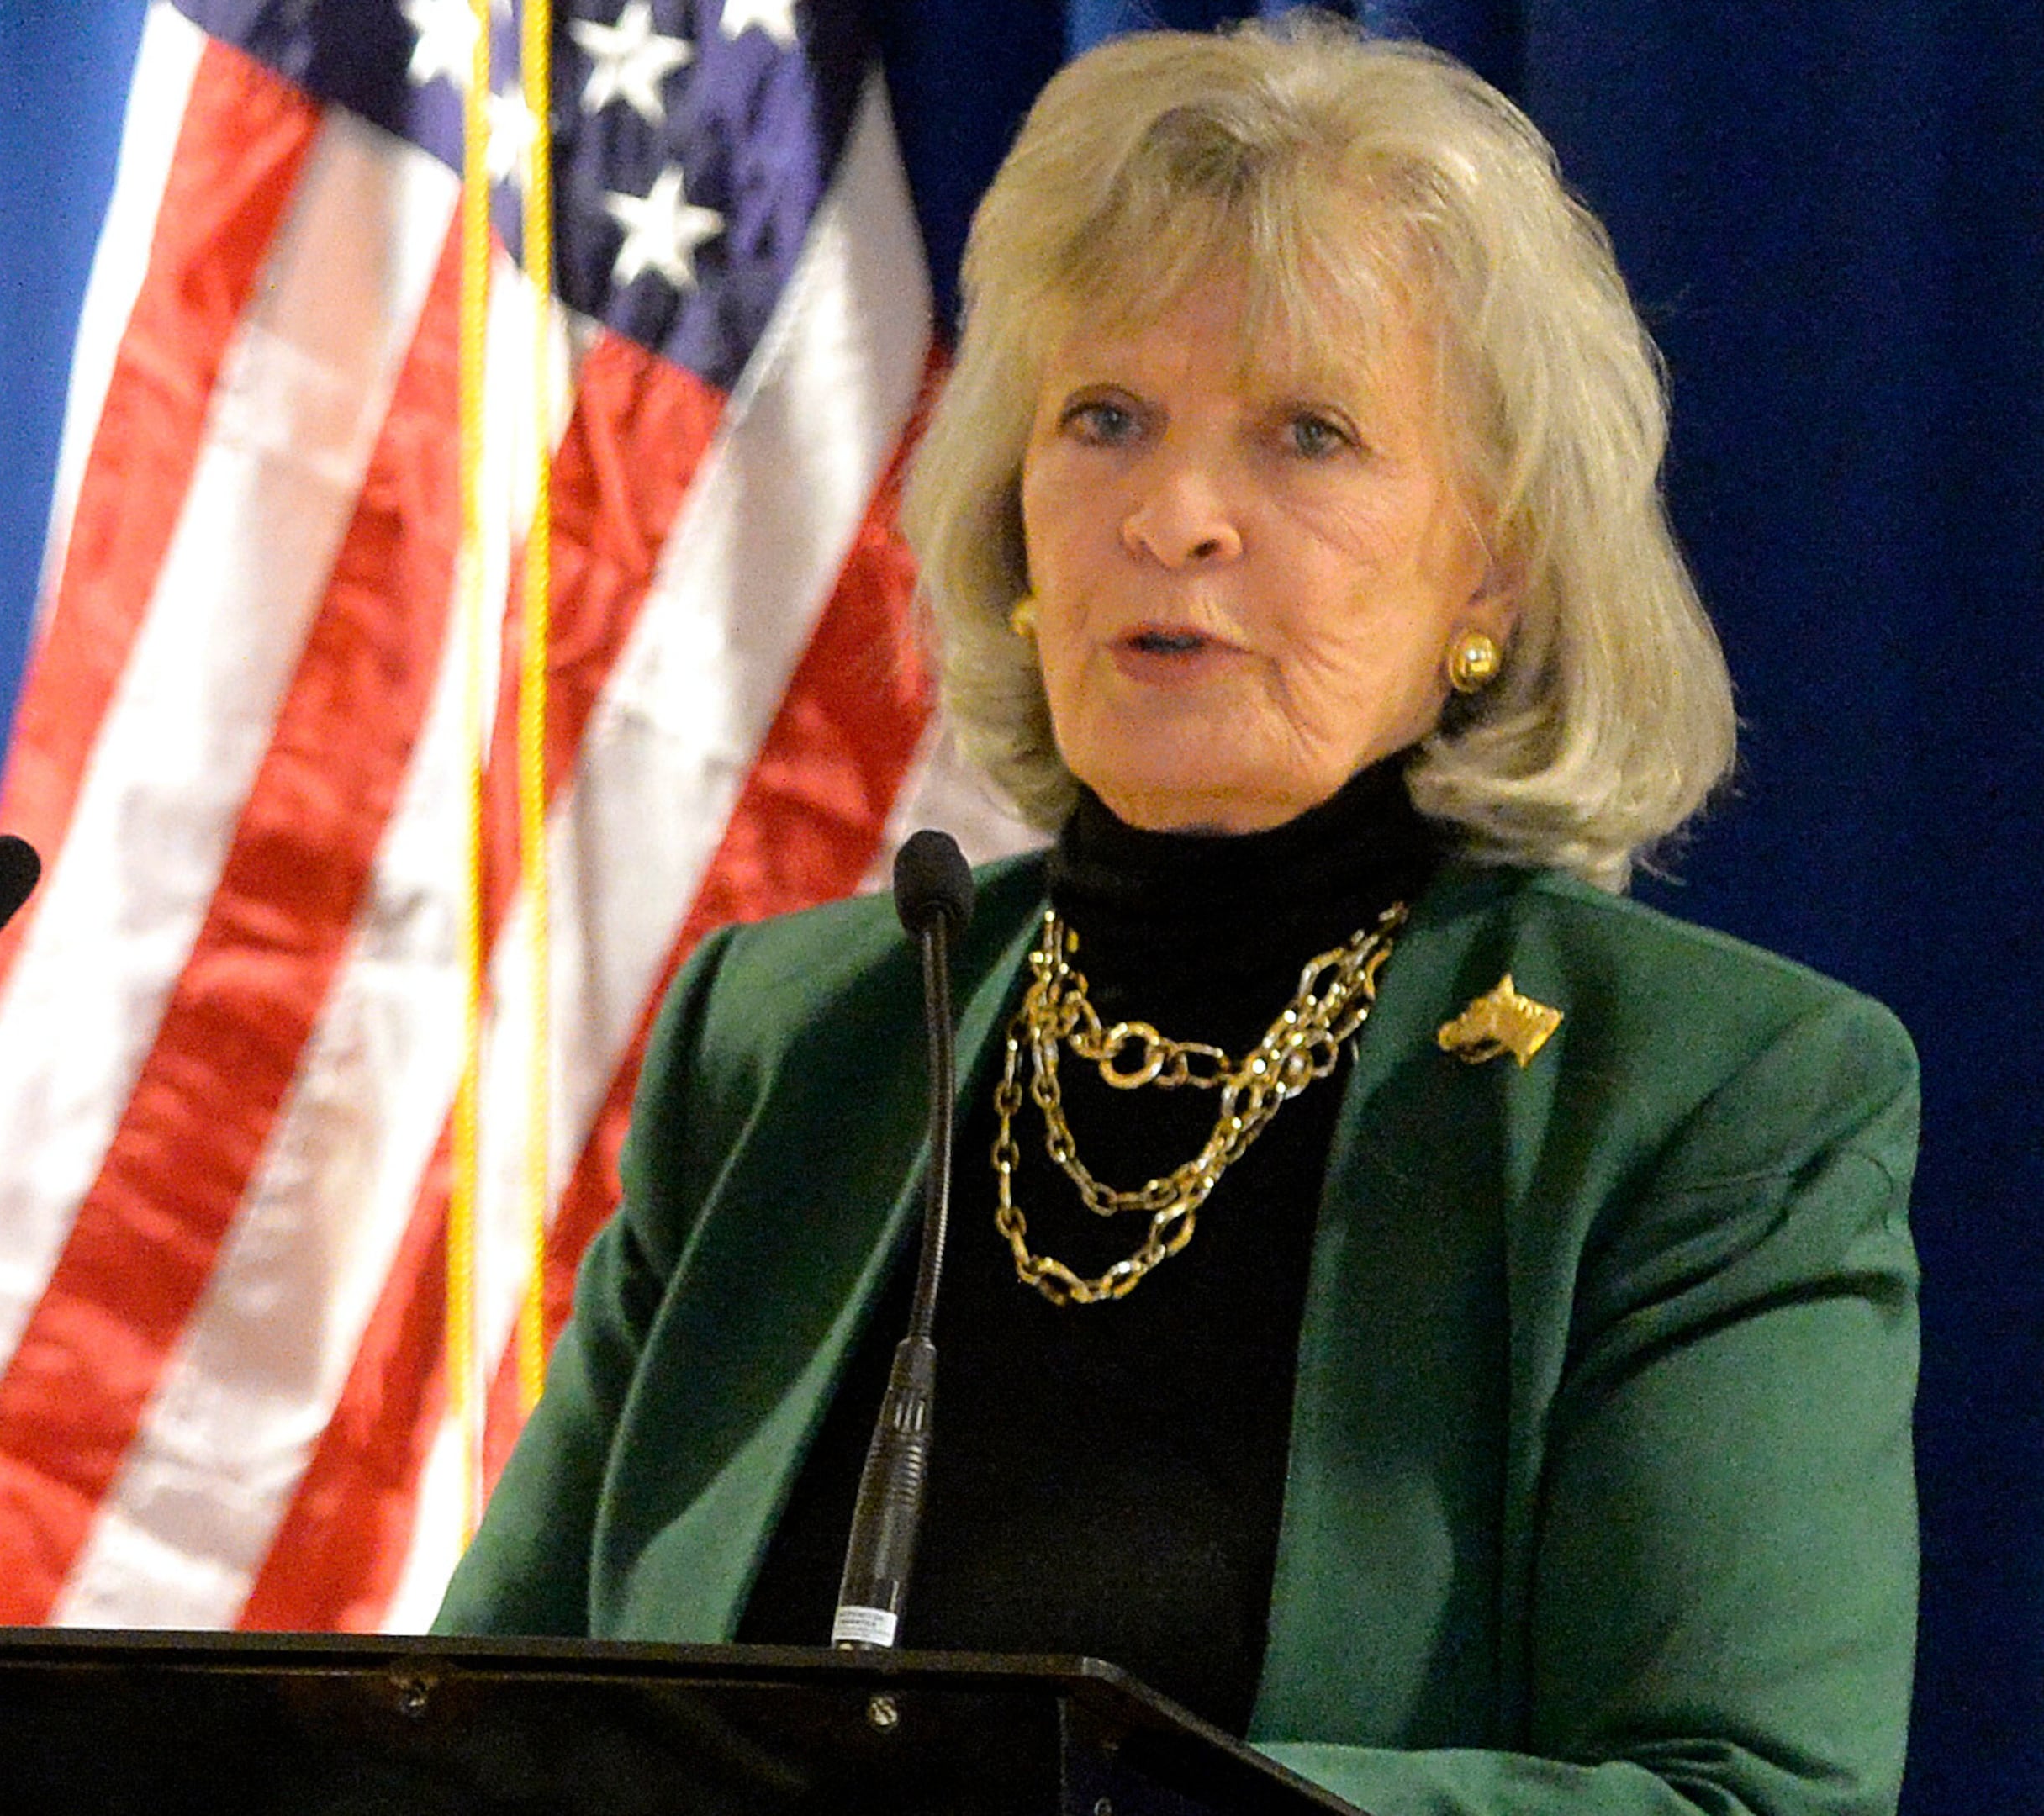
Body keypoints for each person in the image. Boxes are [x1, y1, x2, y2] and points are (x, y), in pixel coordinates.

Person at [432, 17, 1918, 1816]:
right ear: (1014, 510)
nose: (1176, 516)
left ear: (1496, 566)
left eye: (1308, 435)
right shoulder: (793, 1039)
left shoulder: (1694, 1097)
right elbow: (474, 1731)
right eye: (1104, 419)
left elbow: (1745, 1797)